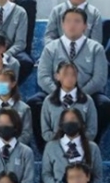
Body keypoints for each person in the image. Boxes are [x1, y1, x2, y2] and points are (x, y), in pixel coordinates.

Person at [34, 7, 110, 141]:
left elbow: (100, 78)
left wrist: (78, 95)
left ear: (85, 26)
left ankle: (89, 145)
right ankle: (48, 146)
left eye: (77, 21)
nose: (72, 25)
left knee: (104, 104)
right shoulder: (51, 48)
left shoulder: (96, 48)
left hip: (86, 93)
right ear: (62, 25)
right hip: (56, 93)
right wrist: (60, 94)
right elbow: (43, 76)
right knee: (34, 103)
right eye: (68, 21)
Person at [42, 107, 102, 183]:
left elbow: (98, 176)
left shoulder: (93, 148)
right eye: (66, 120)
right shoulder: (51, 147)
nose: (69, 122)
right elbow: (46, 175)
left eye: (73, 119)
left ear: (81, 123)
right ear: (61, 124)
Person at [40, 61, 98, 151]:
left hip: (81, 148)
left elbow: (92, 130)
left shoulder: (87, 100)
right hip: (56, 149)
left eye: (73, 74)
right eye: (66, 74)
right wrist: (62, 142)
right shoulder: (49, 101)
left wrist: (76, 141)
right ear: (57, 76)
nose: (70, 78)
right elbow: (45, 131)